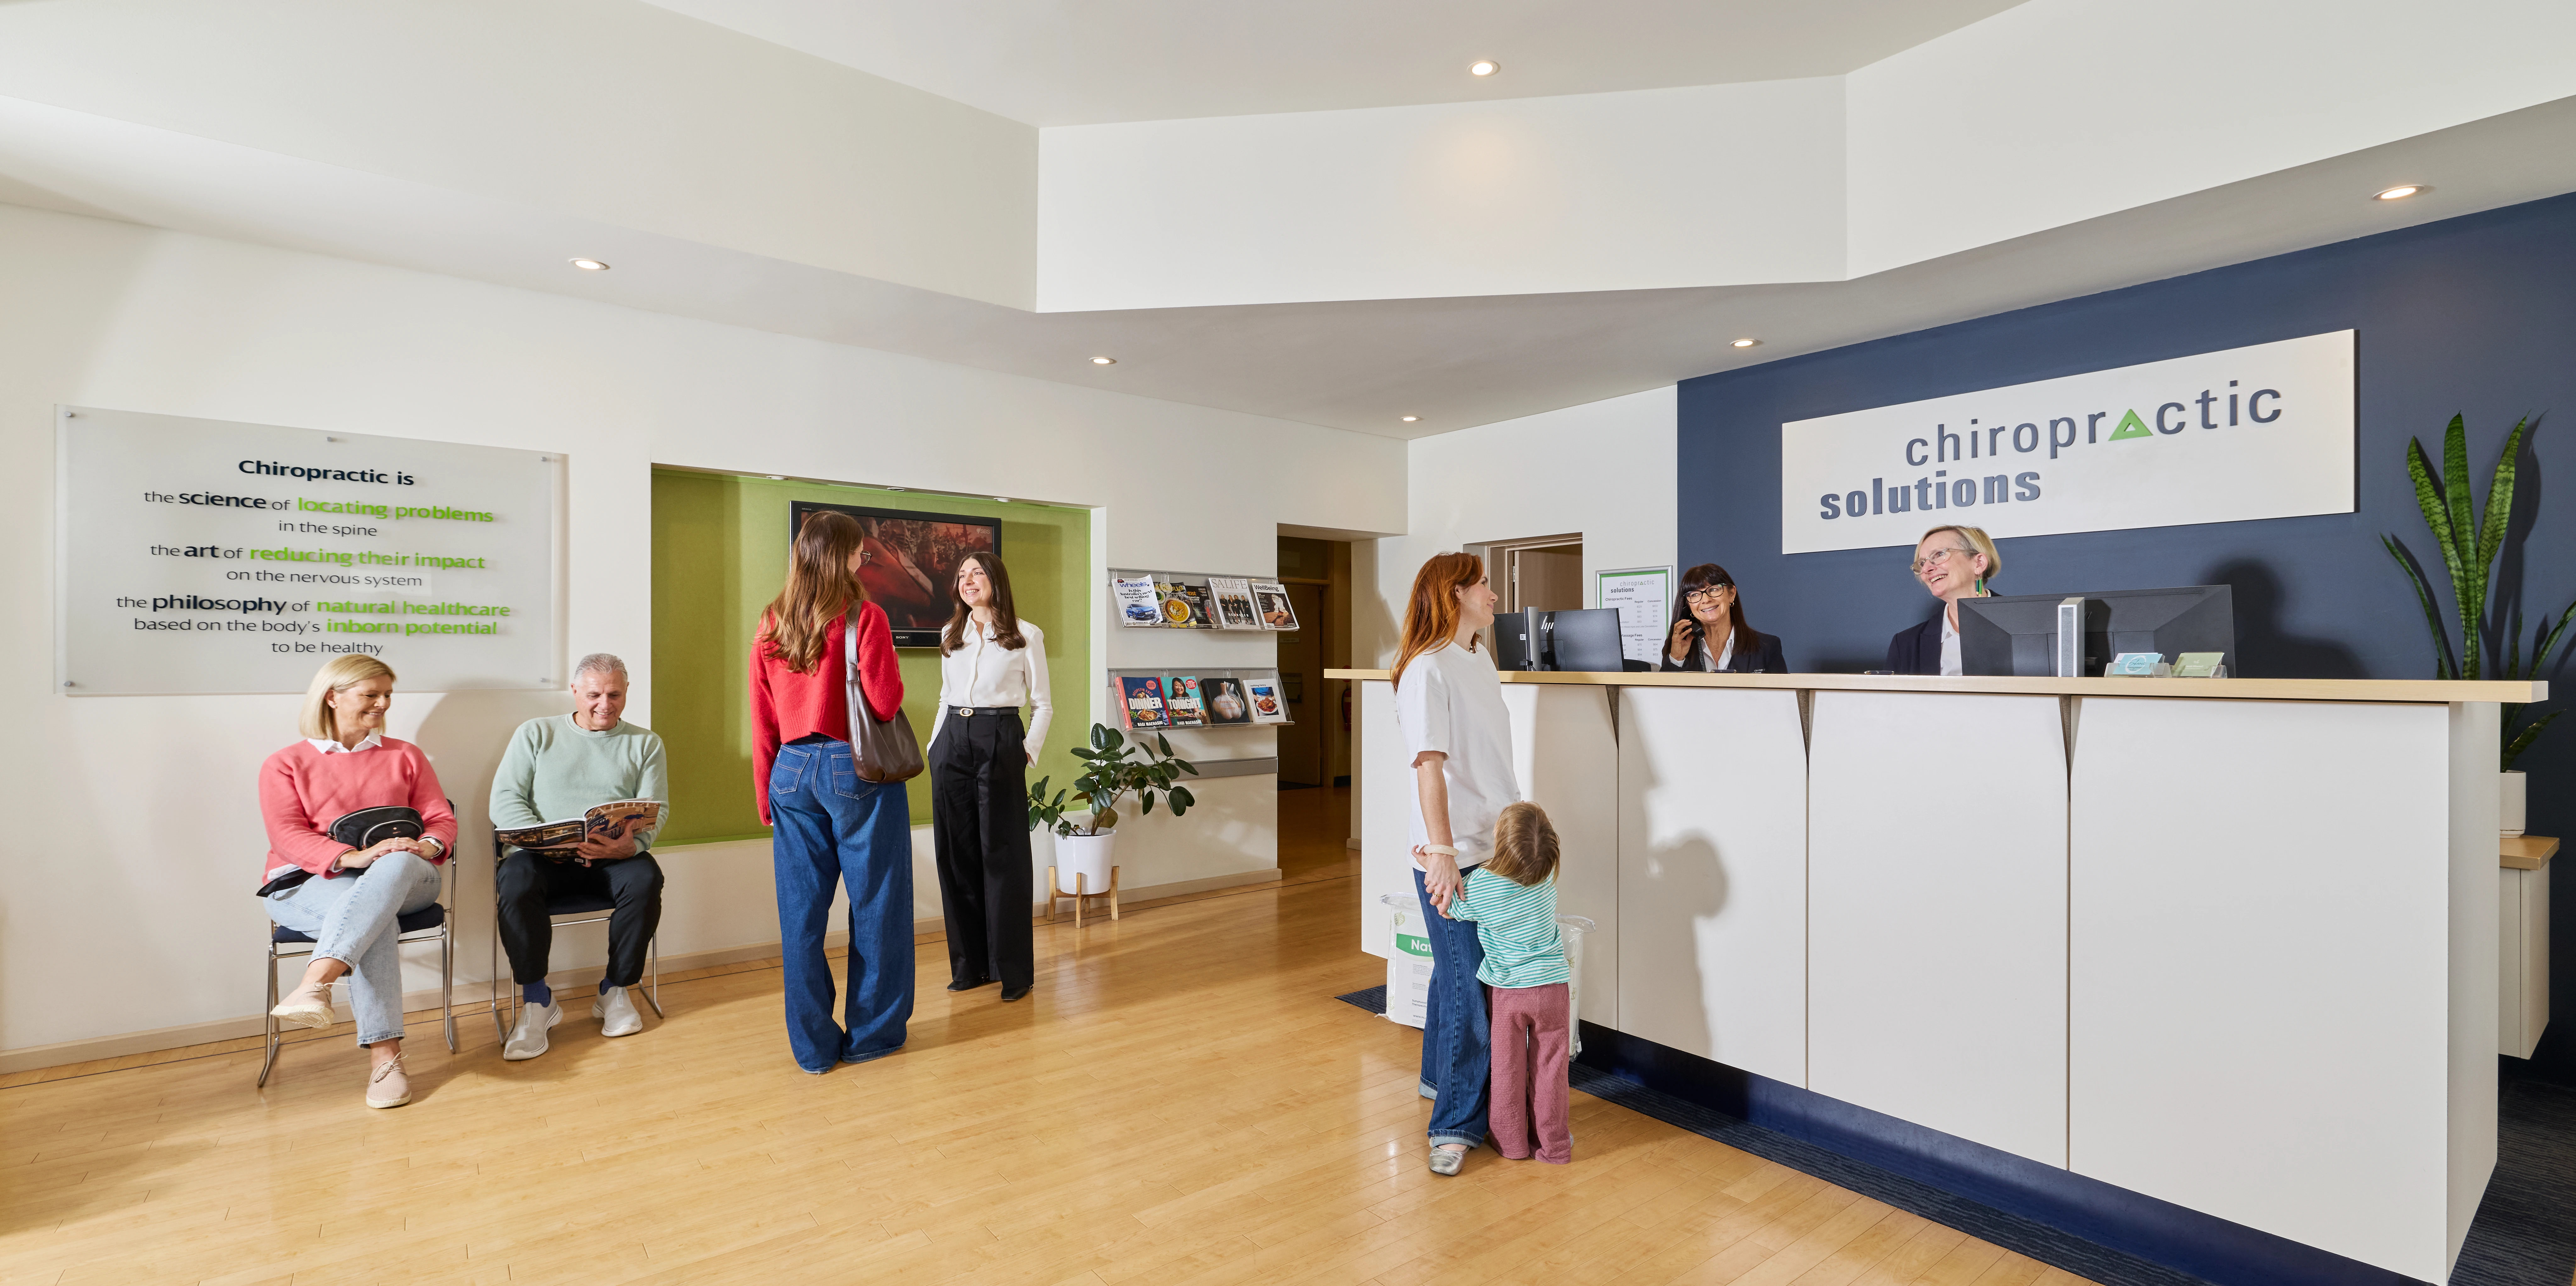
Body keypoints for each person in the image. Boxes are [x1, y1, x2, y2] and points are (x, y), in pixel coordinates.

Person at [750, 510, 912, 1073]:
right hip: (853, 768)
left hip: (789, 772)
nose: (861, 560)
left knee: (801, 916)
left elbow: (762, 719)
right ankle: (872, 1036)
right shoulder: (864, 616)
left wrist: (764, 795)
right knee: (877, 906)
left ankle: (814, 1050)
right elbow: (886, 703)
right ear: (839, 555)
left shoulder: (771, 622)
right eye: (857, 552)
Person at [259, 655, 458, 1109]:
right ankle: (386, 1058)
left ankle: (318, 979)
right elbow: (287, 836)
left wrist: (423, 847)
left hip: (411, 875)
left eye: (388, 694)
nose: (383, 703)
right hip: (305, 884)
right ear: (333, 696)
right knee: (374, 918)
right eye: (371, 694)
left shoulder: (405, 755)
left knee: (392, 865)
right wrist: (354, 856)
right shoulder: (285, 764)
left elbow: (440, 819)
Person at [1391, 551, 1517, 1176]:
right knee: (1469, 987)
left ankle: (1437, 1077)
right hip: (1453, 852)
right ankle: (1456, 1124)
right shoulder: (1427, 670)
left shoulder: (1478, 659)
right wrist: (1441, 854)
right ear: (1457, 593)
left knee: (1456, 970)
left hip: (1492, 845)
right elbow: (1429, 765)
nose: (1495, 595)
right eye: (1485, 585)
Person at [490, 653, 671, 1061]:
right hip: (541, 859)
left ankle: (615, 989)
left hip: (612, 857)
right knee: (515, 881)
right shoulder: (536, 733)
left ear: (626, 693)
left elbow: (656, 808)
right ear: (575, 692)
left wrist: (632, 846)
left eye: (615, 694)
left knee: (646, 877)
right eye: (594, 694)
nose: (604, 704)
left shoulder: (645, 743)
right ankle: (537, 1001)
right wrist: (544, 842)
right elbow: (506, 798)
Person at [929, 551, 1053, 1002]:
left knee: (1003, 853)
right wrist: (934, 746)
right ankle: (971, 967)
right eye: (962, 575)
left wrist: (1025, 750)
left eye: (977, 572)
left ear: (996, 579)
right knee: (956, 854)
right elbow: (945, 696)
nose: (968, 580)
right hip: (953, 741)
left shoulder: (1026, 634)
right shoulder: (950, 633)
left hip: (1000, 736)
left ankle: (1014, 970)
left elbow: (1043, 704)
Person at [1449, 801, 1573, 1165]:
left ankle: (1512, 1143)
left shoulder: (1484, 885)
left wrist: (1432, 865)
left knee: (1507, 1068)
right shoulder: (1547, 876)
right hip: (1552, 988)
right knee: (1551, 1069)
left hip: (1508, 994)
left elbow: (1453, 908)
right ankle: (1554, 1147)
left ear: (1499, 843)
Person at [1887, 525, 2002, 676]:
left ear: (1979, 563)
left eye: (1939, 554)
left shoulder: (2027, 624)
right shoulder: (1906, 644)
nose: (1927, 568)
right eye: (1922, 563)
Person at [1660, 563, 1788, 673]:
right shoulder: (1675, 647)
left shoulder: (1767, 647)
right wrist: (1677, 659)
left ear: (1731, 594)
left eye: (1714, 590)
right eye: (1694, 595)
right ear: (1688, 606)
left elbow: (1782, 699)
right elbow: (1663, 696)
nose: (1706, 600)